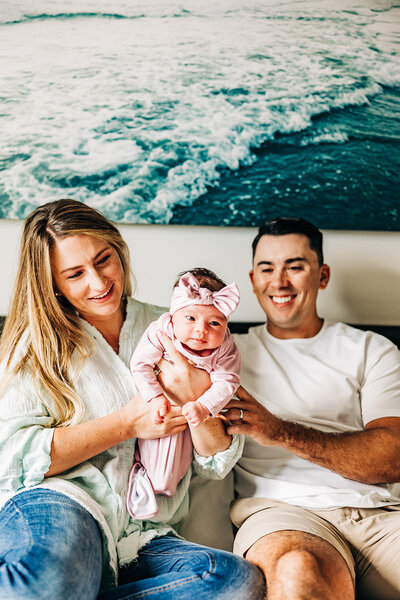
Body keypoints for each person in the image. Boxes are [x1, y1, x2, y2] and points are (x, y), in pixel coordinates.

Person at [0, 199, 265, 600]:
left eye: (103, 260)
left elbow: (217, 462)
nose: (98, 282)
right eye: (75, 274)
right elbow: (10, 458)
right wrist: (126, 424)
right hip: (64, 503)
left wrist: (198, 400)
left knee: (236, 582)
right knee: (45, 583)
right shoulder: (35, 344)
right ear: (54, 283)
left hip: (142, 533)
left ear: (118, 248)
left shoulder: (188, 325)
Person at [223, 217, 400, 600]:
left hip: (381, 517)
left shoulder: (373, 350)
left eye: (295, 266)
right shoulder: (226, 353)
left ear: (322, 276)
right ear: (253, 280)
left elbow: (391, 457)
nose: (280, 282)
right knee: (295, 574)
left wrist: (281, 433)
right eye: (267, 269)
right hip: (284, 514)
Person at [128, 268, 241, 519]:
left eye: (214, 323)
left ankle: (164, 490)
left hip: (197, 417)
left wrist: (203, 405)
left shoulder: (225, 346)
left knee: (176, 466)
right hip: (160, 405)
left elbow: (228, 381)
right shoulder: (161, 329)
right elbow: (140, 364)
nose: (202, 330)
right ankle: (141, 481)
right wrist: (155, 396)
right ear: (173, 316)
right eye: (190, 318)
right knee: (153, 449)